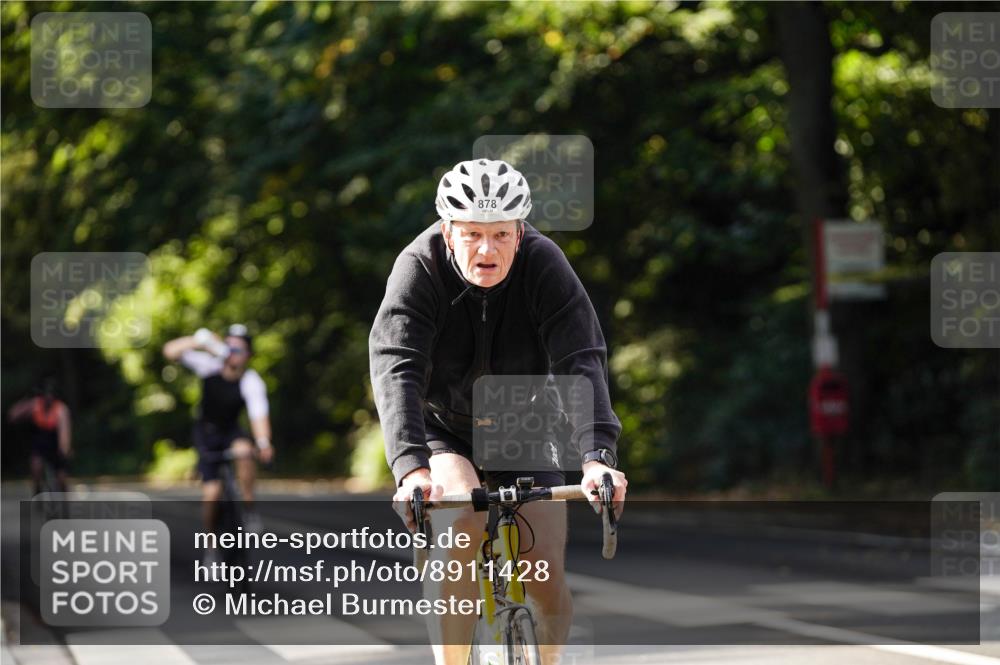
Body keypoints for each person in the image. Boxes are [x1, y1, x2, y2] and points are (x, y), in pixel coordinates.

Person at [370, 158, 628, 665]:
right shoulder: (418, 267)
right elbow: (396, 366)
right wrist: (412, 468)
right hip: (441, 424)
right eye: (471, 235)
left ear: (519, 232)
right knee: (462, 520)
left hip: (523, 417)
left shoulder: (543, 262)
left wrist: (597, 456)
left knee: (546, 572)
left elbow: (582, 358)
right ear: (447, 231)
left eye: (501, 235)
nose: (486, 250)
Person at [163, 324, 273, 539]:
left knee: (244, 451)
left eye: (238, 349)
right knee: (212, 493)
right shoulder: (209, 365)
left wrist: (263, 442)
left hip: (231, 430)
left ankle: (249, 509)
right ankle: (211, 547)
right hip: (206, 433)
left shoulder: (250, 380)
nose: (232, 353)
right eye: (229, 347)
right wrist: (199, 340)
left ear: (248, 355)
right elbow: (170, 351)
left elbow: (258, 415)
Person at [8, 378, 72, 495]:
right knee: (36, 467)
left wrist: (64, 450)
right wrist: (26, 399)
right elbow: (13, 415)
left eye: (51, 395)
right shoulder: (35, 404)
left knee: (61, 478)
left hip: (56, 442)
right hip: (40, 442)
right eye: (46, 395)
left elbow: (64, 432)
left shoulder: (61, 409)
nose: (48, 398)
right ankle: (37, 491)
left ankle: (64, 499)